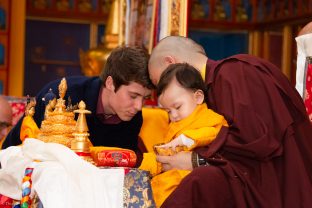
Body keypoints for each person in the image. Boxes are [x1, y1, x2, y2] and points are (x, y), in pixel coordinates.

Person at [148, 36, 312, 207]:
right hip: (258, 180)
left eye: (158, 83)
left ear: (170, 63)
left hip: (280, 185)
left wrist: (197, 160)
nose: (161, 92)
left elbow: (256, 140)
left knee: (200, 181)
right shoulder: (207, 94)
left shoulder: (234, 72)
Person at [3, 46, 154, 157]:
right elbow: (22, 151)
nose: (139, 106)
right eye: (133, 96)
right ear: (110, 83)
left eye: (145, 98)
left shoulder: (133, 116)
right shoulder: (62, 96)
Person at [139, 63, 228, 207]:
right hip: (167, 181)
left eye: (178, 107)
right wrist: (143, 167)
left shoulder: (207, 116)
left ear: (198, 97)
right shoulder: (175, 124)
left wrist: (186, 140)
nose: (173, 115)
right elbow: (165, 156)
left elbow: (214, 131)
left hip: (187, 183)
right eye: (168, 111)